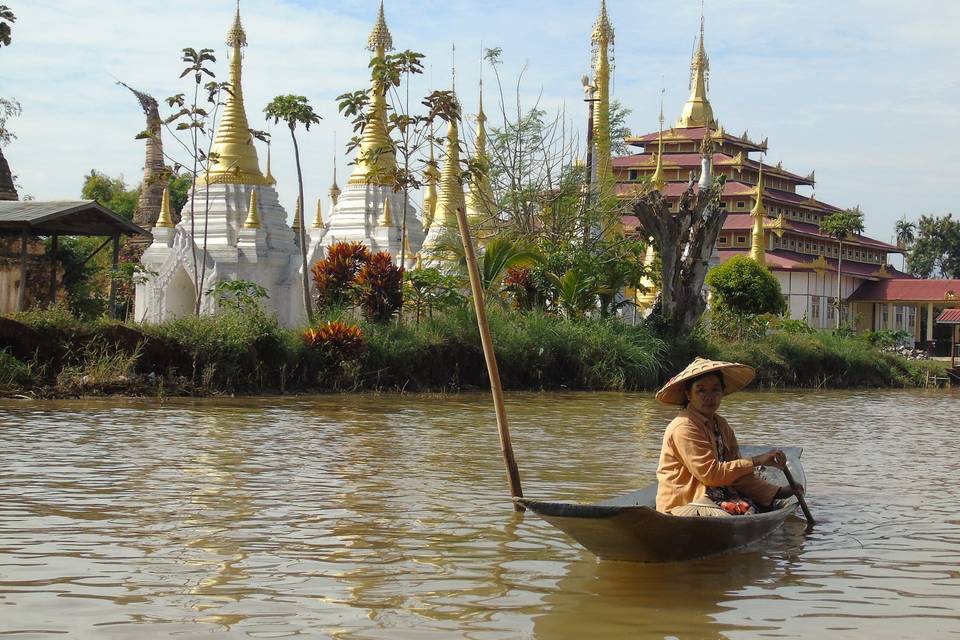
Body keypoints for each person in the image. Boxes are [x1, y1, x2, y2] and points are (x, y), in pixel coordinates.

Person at [654, 357, 803, 517]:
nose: (709, 396)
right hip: (686, 504)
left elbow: (738, 476)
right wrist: (757, 461)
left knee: (757, 508)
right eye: (701, 390)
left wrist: (777, 492)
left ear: (722, 392)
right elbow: (711, 475)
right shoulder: (684, 427)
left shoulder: (721, 425)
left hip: (718, 495)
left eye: (715, 389)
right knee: (737, 515)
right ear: (688, 395)